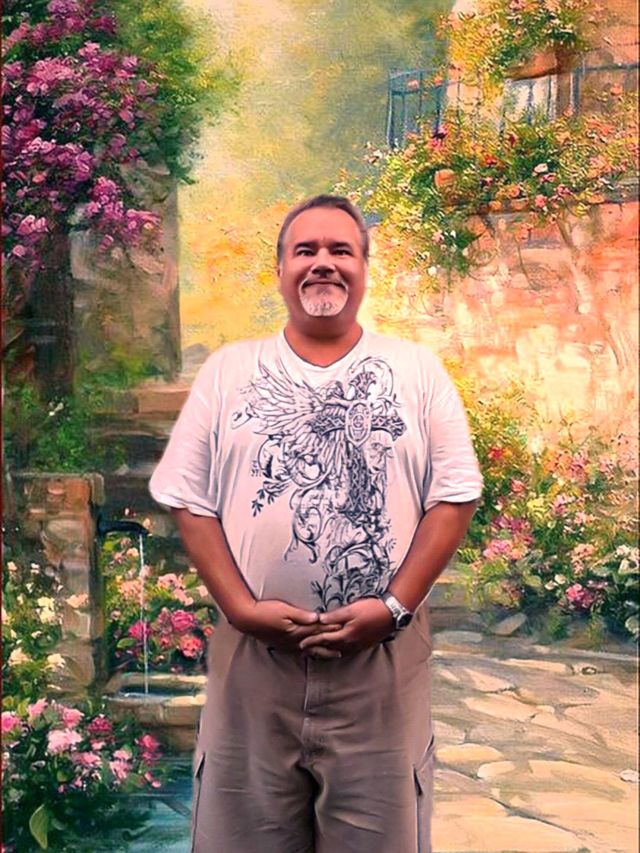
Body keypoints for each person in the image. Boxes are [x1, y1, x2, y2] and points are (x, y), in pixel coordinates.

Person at [149, 194, 483, 853]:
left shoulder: (416, 371)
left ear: (364, 269)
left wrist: (393, 606)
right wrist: (241, 609)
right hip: (254, 664)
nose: (323, 262)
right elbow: (189, 498)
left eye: (341, 250)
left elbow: (453, 496)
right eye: (306, 250)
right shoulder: (228, 372)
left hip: (381, 665)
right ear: (280, 271)